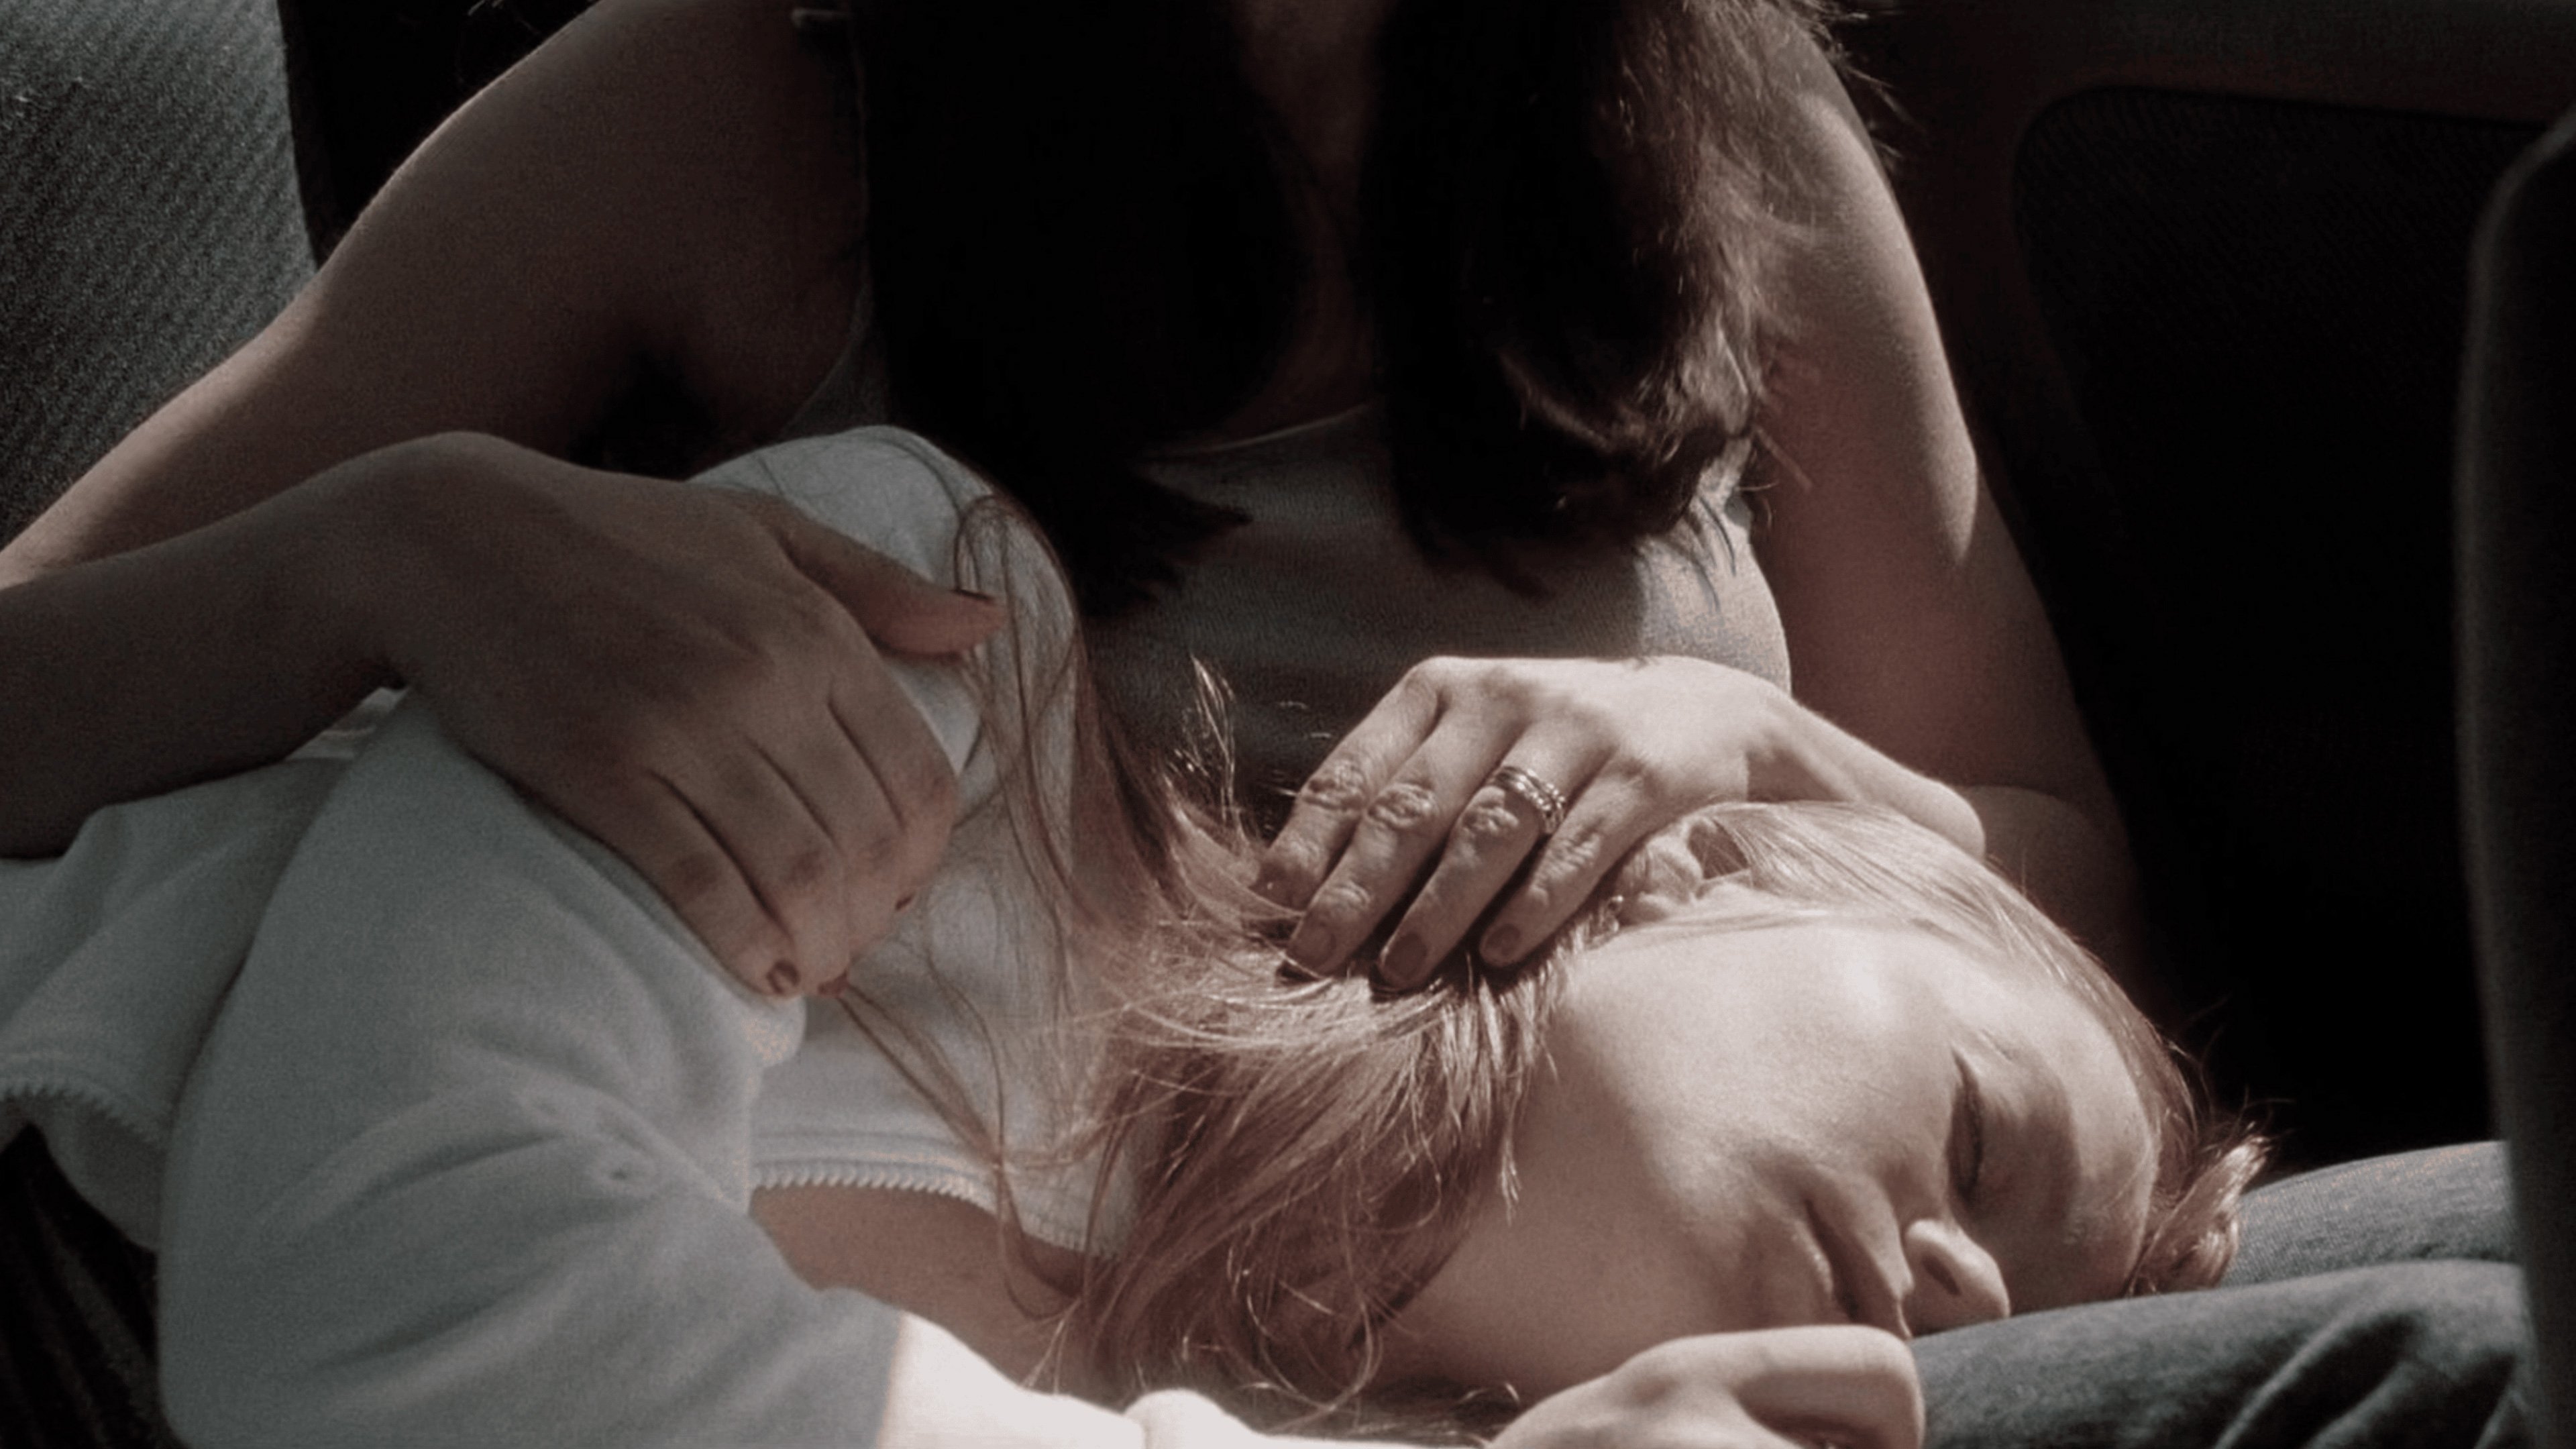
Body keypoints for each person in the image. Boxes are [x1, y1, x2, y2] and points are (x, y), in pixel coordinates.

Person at [0, 0, 2530, 1444]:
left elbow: (2063, 895)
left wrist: (1759, 759)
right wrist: (386, 552)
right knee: (2455, 1369)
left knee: (2529, 1229)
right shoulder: (745, 116)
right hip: (1211, 1329)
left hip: (1652, 1232)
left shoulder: (1715, 109)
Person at [5, 427, 2248, 1448]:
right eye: (1983, 1149)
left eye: (2010, 1339)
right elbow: (379, 1337)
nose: (1960, 1312)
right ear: (1697, 866)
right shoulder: (913, 642)